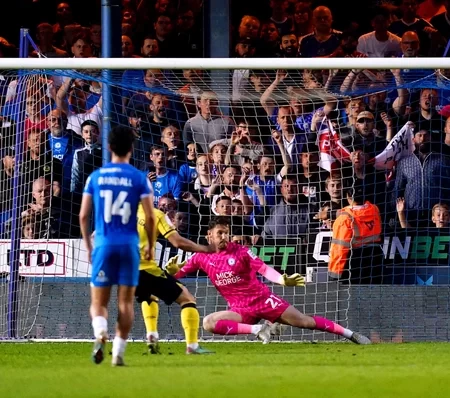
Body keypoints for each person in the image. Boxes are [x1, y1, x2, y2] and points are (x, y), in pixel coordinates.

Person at [166, 216, 371, 345]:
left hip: (264, 301)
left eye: (227, 232)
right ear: (209, 236)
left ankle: (351, 334)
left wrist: (282, 280)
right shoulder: (200, 256)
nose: (225, 236)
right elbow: (175, 276)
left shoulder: (242, 251)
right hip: (240, 310)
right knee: (209, 323)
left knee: (305, 322)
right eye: (220, 233)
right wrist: (172, 271)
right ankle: (258, 329)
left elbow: (264, 270)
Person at [79, 126, 156, 366]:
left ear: (109, 147)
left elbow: (83, 216)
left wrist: (89, 247)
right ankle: (118, 355)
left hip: (103, 244)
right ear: (131, 149)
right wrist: (151, 246)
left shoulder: (96, 177)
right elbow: (151, 217)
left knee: (99, 303)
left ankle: (100, 332)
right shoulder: (139, 177)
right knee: (125, 303)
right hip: (129, 246)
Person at [135, 206, 215, 355]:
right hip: (145, 268)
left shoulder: (116, 211)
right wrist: (205, 248)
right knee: (187, 298)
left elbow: (96, 237)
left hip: (121, 271)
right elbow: (177, 242)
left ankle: (151, 335)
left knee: (149, 295)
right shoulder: (155, 214)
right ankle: (192, 346)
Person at [328, 184, 384, 284]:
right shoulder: (375, 210)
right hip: (376, 259)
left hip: (355, 262)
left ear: (348, 197)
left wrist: (334, 275)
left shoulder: (344, 219)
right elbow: (360, 211)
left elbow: (340, 249)